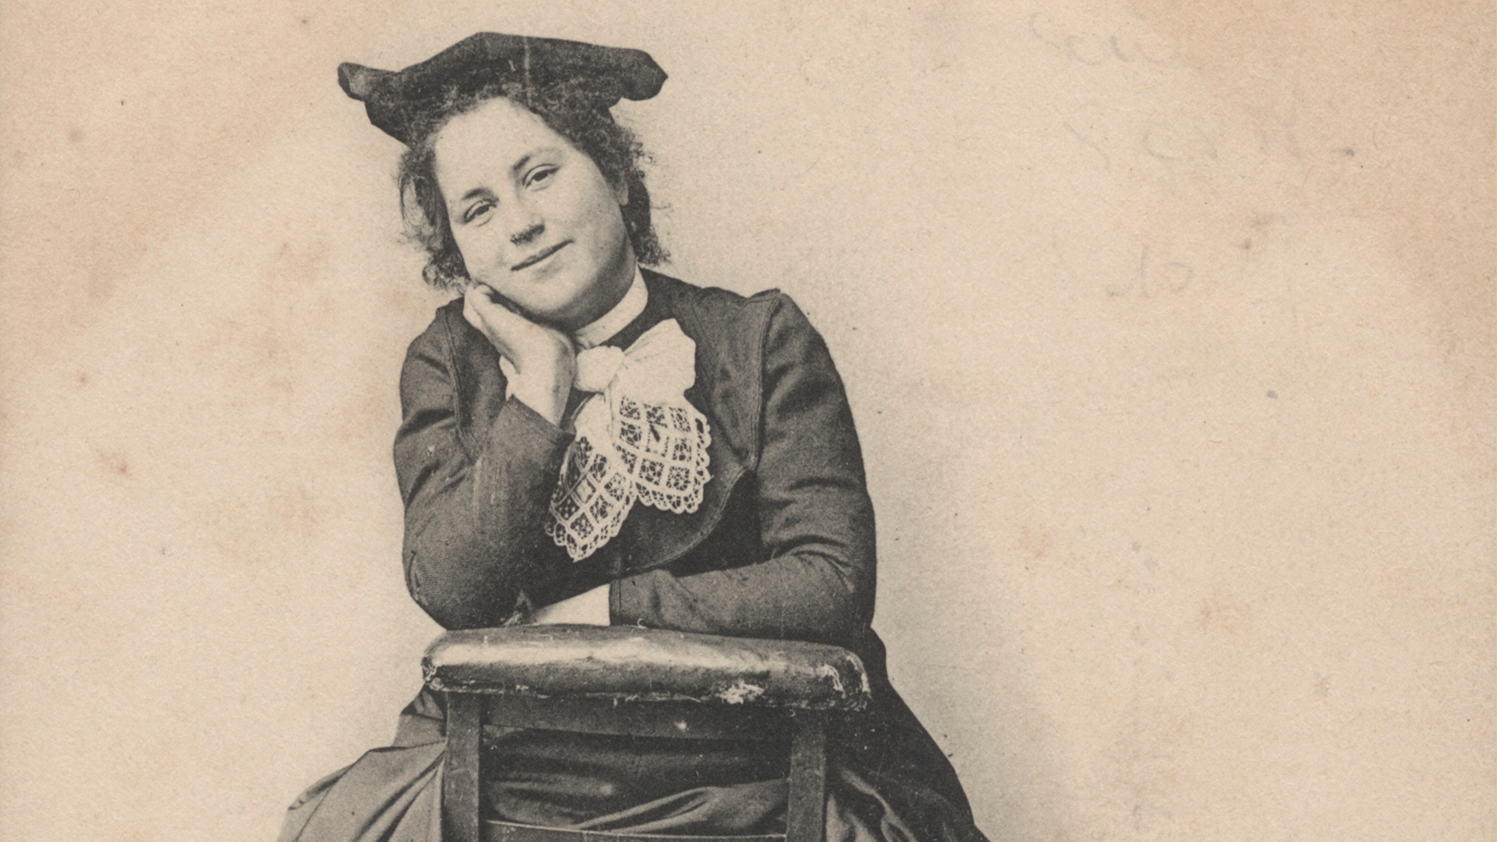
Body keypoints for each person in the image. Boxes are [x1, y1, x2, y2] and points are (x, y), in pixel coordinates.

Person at [278, 33, 989, 842]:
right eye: (477, 209)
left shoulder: (757, 339)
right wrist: (540, 392)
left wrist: (610, 611)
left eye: (539, 175)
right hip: (518, 757)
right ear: (459, 252)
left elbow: (830, 584)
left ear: (615, 174)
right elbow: (452, 593)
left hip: (756, 754)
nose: (521, 224)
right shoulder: (447, 360)